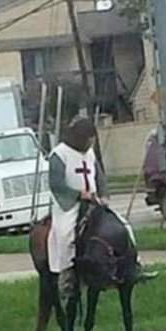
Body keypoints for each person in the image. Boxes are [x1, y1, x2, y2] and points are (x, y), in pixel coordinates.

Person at [48, 116, 109, 298]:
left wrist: (104, 195)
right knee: (66, 234)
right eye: (88, 138)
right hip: (70, 206)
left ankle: (132, 265)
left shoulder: (90, 154)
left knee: (122, 226)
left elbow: (99, 176)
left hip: (94, 202)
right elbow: (56, 184)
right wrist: (78, 194)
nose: (91, 142)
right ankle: (67, 276)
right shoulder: (59, 154)